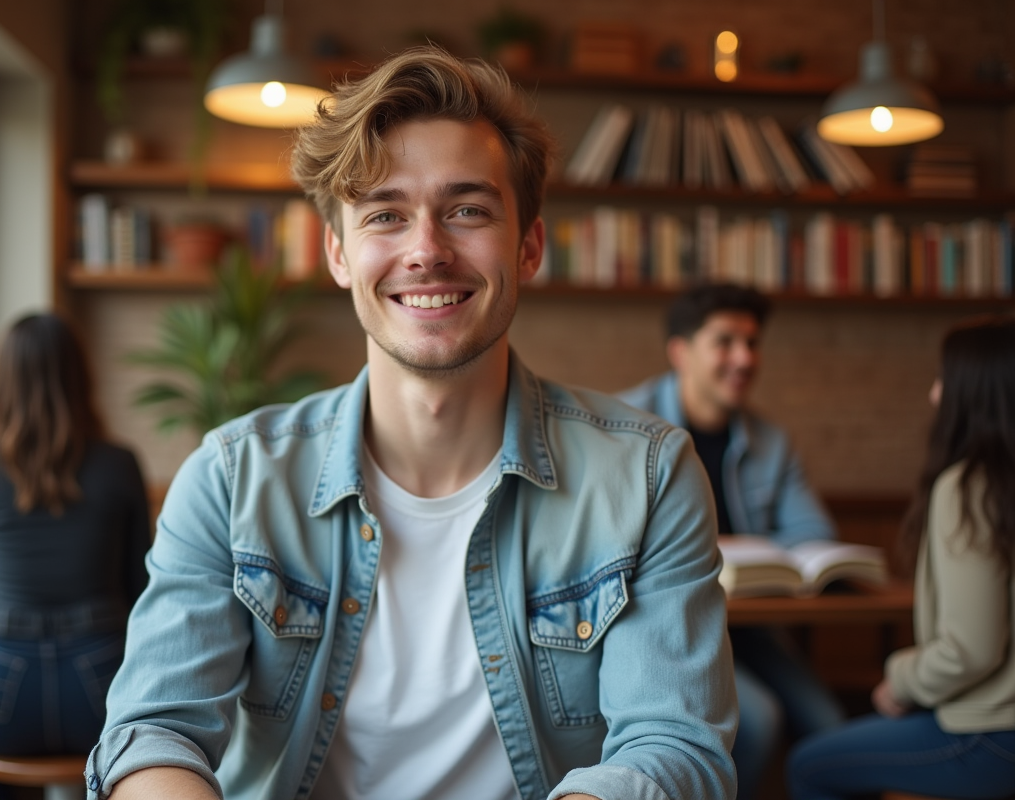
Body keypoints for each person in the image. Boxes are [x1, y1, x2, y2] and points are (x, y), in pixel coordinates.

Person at [87, 47, 736, 800]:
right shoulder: (233, 478)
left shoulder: (649, 476)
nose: (426, 250)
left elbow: (673, 746)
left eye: (467, 210)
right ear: (339, 252)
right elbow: (153, 729)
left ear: (528, 246)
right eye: (386, 215)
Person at [618, 283, 844, 800]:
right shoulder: (625, 427)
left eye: (753, 342)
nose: (744, 358)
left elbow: (814, 535)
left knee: (830, 720)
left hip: (750, 627)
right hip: (668, 624)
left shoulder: (772, 442)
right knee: (758, 718)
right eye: (725, 341)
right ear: (681, 352)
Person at [0, 313, 151, 800]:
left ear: (0, 382)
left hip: (0, 697)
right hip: (102, 698)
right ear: (80, 377)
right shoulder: (119, 463)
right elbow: (141, 588)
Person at [787, 315, 1015, 800]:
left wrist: (898, 680)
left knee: (809, 765)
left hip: (991, 735)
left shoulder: (971, 486)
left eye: (942, 380)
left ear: (972, 392)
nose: (934, 395)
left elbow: (970, 649)